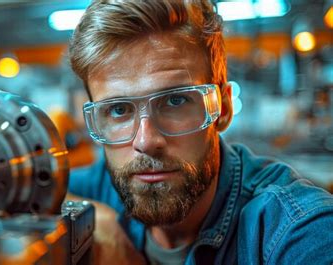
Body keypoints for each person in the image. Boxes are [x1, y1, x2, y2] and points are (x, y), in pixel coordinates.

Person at [65, 0, 333, 264]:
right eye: (119, 109)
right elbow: (36, 188)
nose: (145, 142)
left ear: (223, 108)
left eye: (175, 101)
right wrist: (102, 223)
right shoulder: (103, 186)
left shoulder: (295, 230)